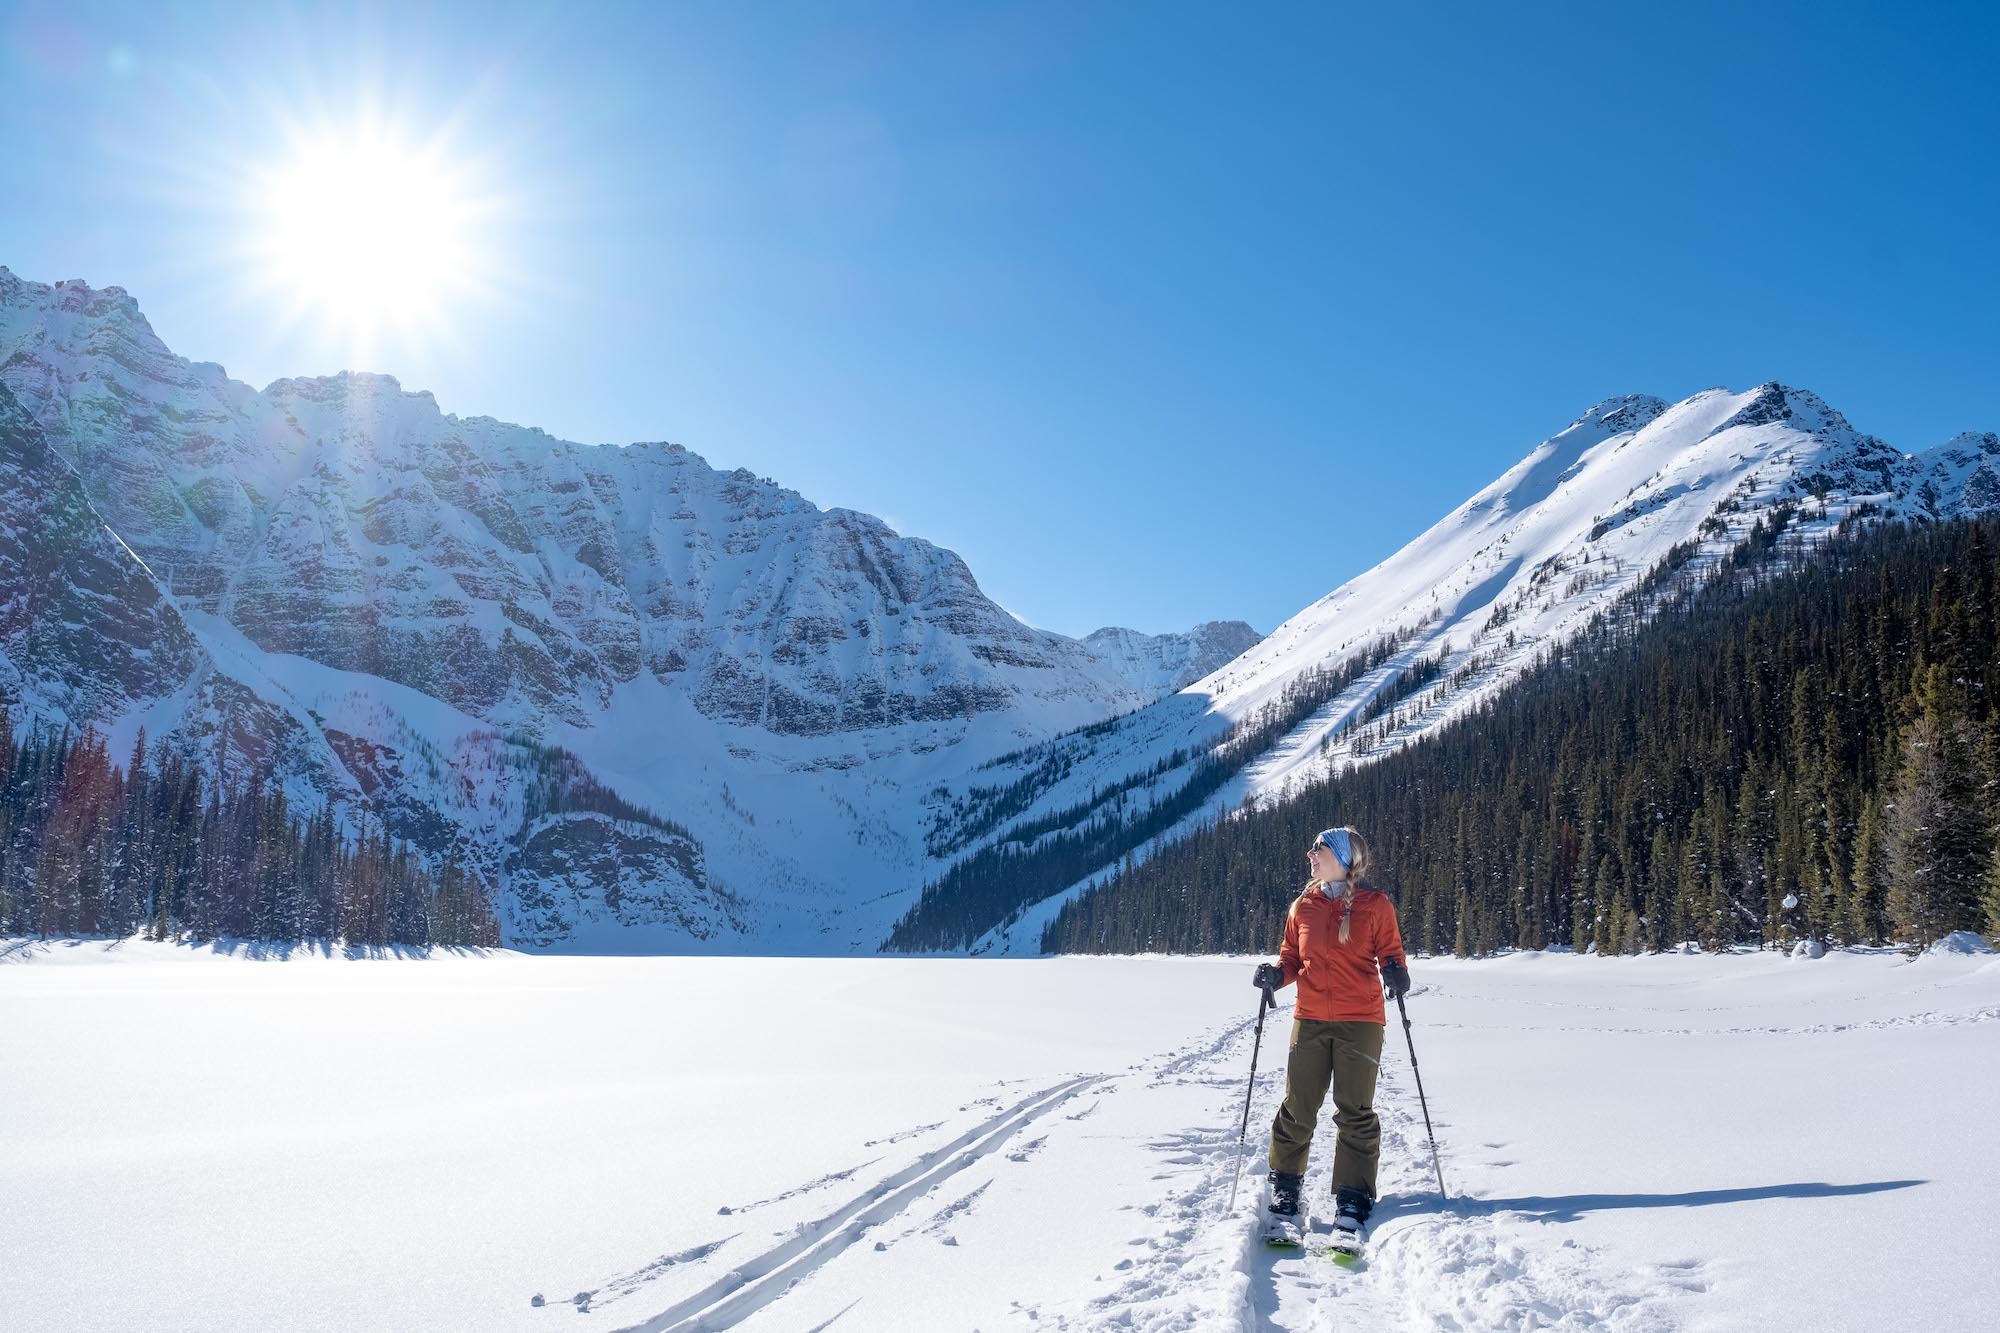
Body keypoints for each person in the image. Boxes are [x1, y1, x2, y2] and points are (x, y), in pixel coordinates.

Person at [1251, 825, 1410, 1241]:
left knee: (1355, 1110)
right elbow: (1291, 959)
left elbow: (1392, 953)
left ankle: (1353, 1197)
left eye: (1317, 849)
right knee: (1298, 1105)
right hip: (1310, 1018)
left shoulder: (1376, 906)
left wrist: (1396, 973)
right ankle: (1286, 1190)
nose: (1310, 855)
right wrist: (1274, 975)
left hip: (1361, 1021)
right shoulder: (1303, 906)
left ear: (1342, 857)